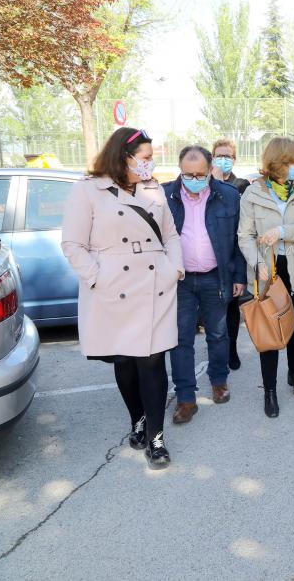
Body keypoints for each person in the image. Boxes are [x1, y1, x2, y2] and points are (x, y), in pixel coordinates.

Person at [61, 127, 183, 469]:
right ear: (123, 157)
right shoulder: (88, 190)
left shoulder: (153, 188)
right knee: (126, 361)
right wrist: (97, 278)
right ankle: (138, 419)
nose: (149, 164)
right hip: (114, 287)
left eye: (150, 158)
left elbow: (170, 233)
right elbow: (72, 243)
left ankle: (156, 438)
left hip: (156, 283)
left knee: (153, 361)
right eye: (144, 158)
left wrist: (175, 268)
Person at [162, 145, 244, 424]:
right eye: (187, 174)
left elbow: (238, 241)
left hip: (215, 277)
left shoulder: (229, 196)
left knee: (219, 334)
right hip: (181, 280)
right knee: (181, 339)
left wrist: (239, 277)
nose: (193, 179)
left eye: (199, 174)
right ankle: (186, 397)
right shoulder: (165, 196)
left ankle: (219, 381)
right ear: (180, 171)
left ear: (210, 170)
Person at [237, 137, 294, 418]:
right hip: (266, 270)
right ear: (280, 162)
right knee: (268, 329)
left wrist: (282, 232)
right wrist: (256, 262)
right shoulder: (253, 194)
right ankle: (269, 390)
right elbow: (244, 235)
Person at [212, 138, 250, 371]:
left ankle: (232, 347)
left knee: (231, 307)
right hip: (209, 256)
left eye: (228, 156)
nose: (223, 160)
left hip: (233, 253)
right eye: (219, 155)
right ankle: (217, 348)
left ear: (234, 159)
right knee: (213, 309)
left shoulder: (241, 184)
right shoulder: (203, 181)